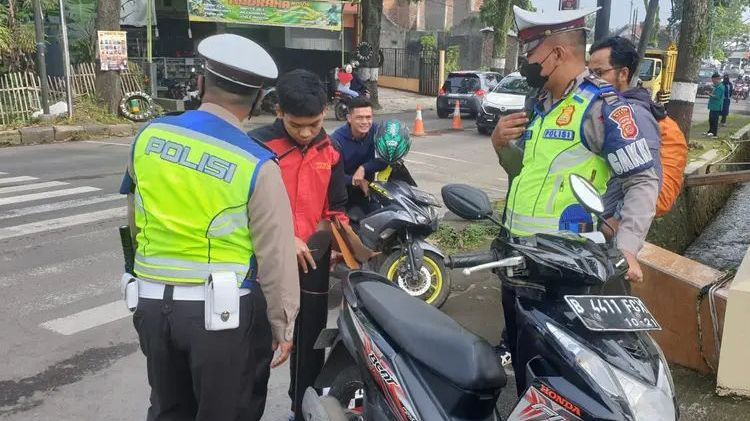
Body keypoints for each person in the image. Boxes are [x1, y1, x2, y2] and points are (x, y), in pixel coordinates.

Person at [119, 34, 299, 421]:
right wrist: (283, 325)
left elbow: (132, 220)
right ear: (258, 99)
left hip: (152, 307)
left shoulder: (149, 137)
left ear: (201, 83)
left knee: (168, 410)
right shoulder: (256, 164)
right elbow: (276, 255)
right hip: (223, 319)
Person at [491, 6, 659, 393]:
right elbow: (526, 176)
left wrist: (629, 248)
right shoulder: (541, 106)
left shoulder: (603, 108)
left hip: (564, 271)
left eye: (530, 52)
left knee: (562, 380)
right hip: (519, 263)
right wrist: (500, 145)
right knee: (525, 369)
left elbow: (642, 180)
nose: (525, 63)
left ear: (557, 53)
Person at [248, 69, 349, 421]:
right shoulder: (258, 147)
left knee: (309, 345)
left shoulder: (331, 149)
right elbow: (242, 209)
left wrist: (335, 240)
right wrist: (283, 237)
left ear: (326, 111)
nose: (306, 133)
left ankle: (300, 410)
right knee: (259, 345)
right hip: (265, 263)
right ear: (279, 113)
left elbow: (336, 207)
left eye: (314, 124)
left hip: (313, 263)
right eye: (296, 125)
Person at [587, 37, 663, 244]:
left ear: (623, 74)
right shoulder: (598, 109)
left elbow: (650, 177)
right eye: (588, 73)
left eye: (599, 73)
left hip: (608, 234)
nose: (590, 80)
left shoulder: (632, 115)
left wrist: (617, 221)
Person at [330, 97, 387, 214]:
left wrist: (364, 168)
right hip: (343, 194)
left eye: (368, 117)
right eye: (359, 118)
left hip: (368, 191)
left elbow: (386, 159)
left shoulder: (377, 131)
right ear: (349, 118)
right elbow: (331, 175)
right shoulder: (336, 140)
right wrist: (355, 180)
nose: (365, 122)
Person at [706, 72, 725, 137]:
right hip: (712, 106)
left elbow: (717, 96)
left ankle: (714, 133)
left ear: (717, 79)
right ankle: (710, 131)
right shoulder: (716, 86)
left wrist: (709, 94)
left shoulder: (720, 87)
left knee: (714, 120)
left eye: (713, 80)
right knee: (711, 119)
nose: (713, 81)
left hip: (716, 106)